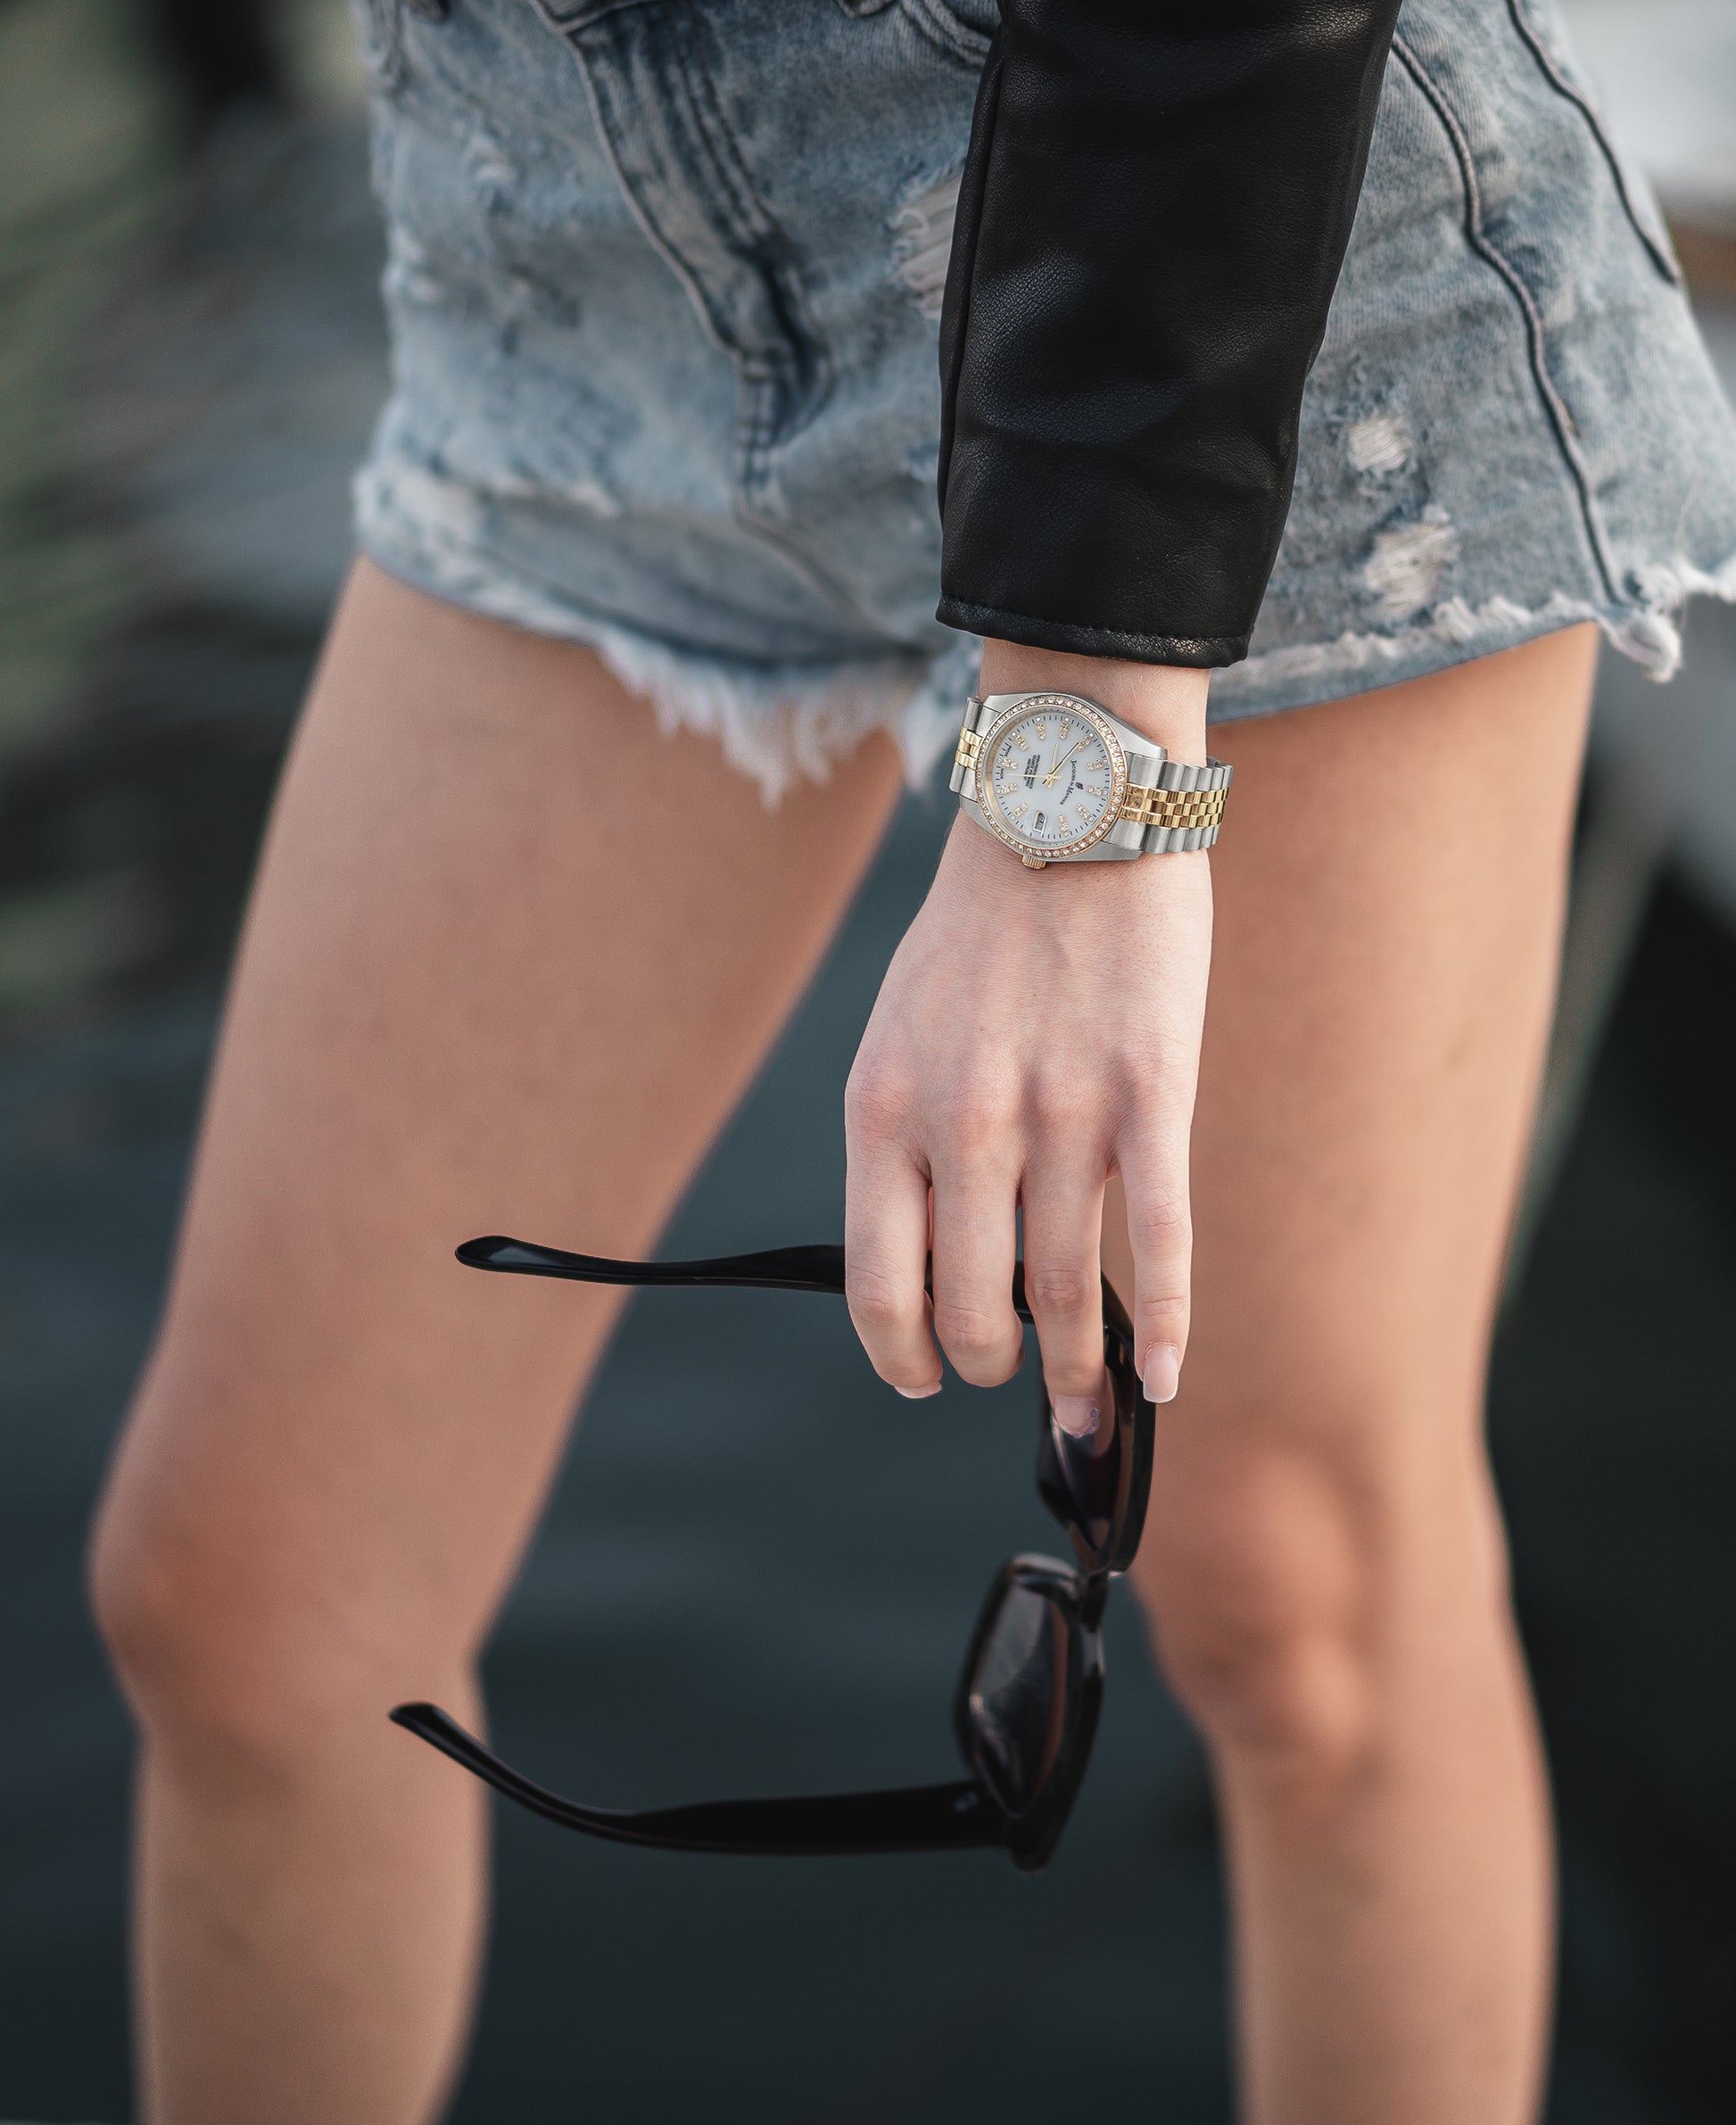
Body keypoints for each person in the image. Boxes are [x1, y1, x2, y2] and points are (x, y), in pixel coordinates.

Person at [88, 3, 1736, 2121]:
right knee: (247, 1608)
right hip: (578, 280)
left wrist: (1083, 763)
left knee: (1299, 1607)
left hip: (1219, 305)